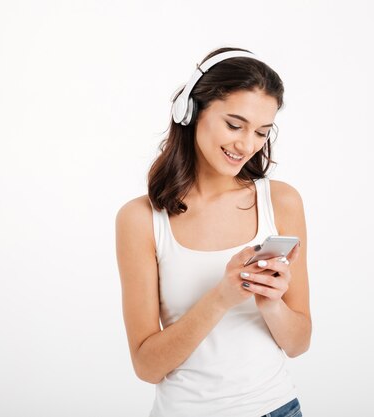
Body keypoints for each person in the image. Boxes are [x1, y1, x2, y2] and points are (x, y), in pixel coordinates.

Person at [115, 46, 311, 417]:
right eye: (234, 125)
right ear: (189, 111)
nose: (246, 145)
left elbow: (299, 343)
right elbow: (147, 367)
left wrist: (269, 300)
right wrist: (221, 297)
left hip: (278, 409)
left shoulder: (282, 202)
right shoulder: (140, 219)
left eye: (261, 132)